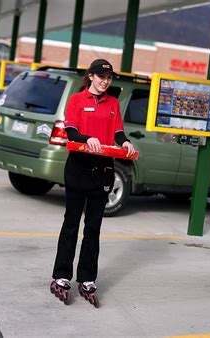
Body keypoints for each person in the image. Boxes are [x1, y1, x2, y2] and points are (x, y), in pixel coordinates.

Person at [50, 59, 135, 307]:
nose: (105, 82)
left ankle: (87, 278)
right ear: (90, 76)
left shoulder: (113, 103)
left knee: (94, 228)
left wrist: (126, 142)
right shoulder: (77, 100)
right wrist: (89, 139)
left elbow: (118, 132)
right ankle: (61, 276)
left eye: (108, 78)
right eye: (101, 77)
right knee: (71, 224)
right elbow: (71, 131)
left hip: (103, 172)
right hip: (78, 169)